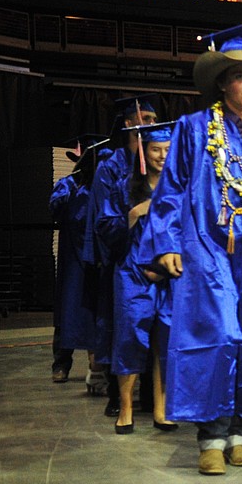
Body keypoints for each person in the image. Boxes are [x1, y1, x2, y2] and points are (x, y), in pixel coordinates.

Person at [142, 23, 242, 475]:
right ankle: (210, 437)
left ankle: (238, 435)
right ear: (222, 82)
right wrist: (167, 243)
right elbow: (171, 191)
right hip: (206, 247)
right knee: (218, 334)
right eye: (239, 75)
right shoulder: (194, 131)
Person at [85, 95, 159, 416]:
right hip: (120, 257)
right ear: (128, 123)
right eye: (143, 117)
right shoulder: (110, 166)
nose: (149, 123)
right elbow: (101, 220)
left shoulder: (162, 163)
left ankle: (154, 395)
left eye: (154, 119)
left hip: (157, 261)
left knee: (155, 328)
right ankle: (118, 395)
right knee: (121, 325)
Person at [111, 123, 176, 434]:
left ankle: (161, 409)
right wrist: (135, 213)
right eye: (155, 150)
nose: (162, 156)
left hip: (170, 276)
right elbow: (105, 229)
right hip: (133, 273)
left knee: (166, 340)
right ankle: (126, 407)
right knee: (130, 338)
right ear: (143, 151)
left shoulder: (180, 188)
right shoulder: (125, 187)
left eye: (166, 150)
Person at [50, 135, 105, 383]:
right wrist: (73, 185)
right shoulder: (68, 185)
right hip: (72, 261)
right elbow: (55, 209)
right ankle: (61, 364)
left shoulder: (102, 186)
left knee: (95, 312)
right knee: (68, 312)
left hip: (95, 259)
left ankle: (98, 365)